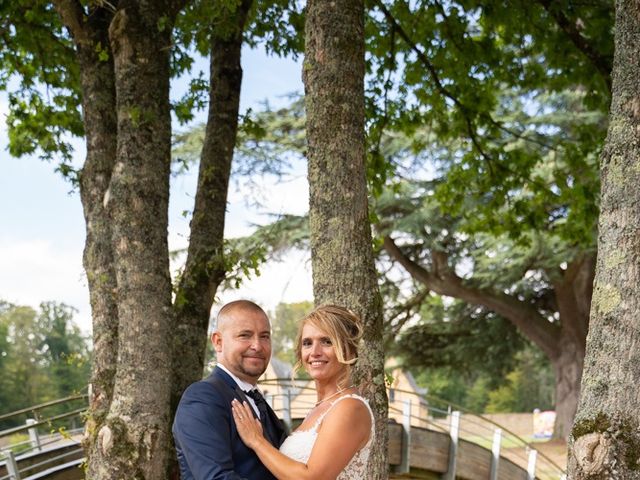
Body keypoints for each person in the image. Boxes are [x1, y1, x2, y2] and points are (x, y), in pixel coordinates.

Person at [231, 304, 375, 480]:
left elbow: (312, 478)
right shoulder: (319, 409)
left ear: (349, 349)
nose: (314, 352)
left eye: (327, 341)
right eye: (307, 343)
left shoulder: (350, 408)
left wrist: (256, 441)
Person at [173, 300, 287, 480]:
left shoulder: (257, 399)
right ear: (218, 342)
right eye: (245, 335)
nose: (257, 346)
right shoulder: (202, 397)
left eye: (264, 336)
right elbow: (216, 477)